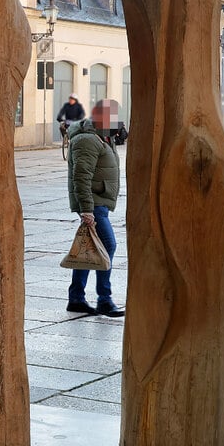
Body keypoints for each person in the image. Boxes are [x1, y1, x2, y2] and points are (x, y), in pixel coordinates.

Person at [65, 99, 125, 318]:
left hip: (100, 201)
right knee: (108, 245)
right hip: (95, 203)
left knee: (88, 249)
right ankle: (104, 299)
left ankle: (77, 298)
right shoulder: (88, 140)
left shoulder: (102, 137)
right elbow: (81, 177)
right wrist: (87, 210)